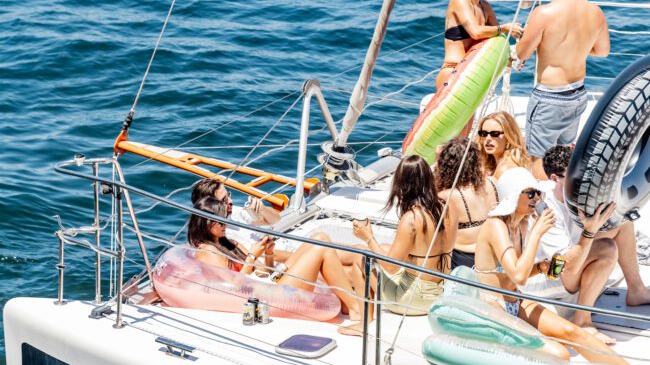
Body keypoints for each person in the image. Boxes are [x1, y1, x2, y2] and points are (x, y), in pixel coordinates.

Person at [474, 167, 630, 365]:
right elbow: (518, 275)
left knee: (574, 332)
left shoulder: (521, 225)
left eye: (538, 193)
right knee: (560, 353)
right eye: (530, 193)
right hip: (494, 305)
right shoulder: (495, 225)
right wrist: (537, 233)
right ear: (512, 195)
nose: (536, 198)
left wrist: (540, 268)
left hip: (516, 301)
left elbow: (517, 273)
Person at [523, 145, 650, 343]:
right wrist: (590, 231)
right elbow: (565, 265)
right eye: (572, 176)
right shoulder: (545, 207)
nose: (581, 181)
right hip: (549, 273)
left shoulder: (578, 193)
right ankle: (582, 321)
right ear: (555, 179)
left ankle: (636, 290)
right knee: (607, 249)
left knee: (624, 223)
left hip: (570, 256)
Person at [188, 197, 365, 332]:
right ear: (206, 222)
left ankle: (348, 302)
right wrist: (250, 257)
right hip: (268, 298)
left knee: (319, 238)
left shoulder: (229, 243)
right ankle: (355, 309)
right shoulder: (208, 252)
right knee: (321, 250)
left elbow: (263, 270)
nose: (225, 223)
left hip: (269, 284)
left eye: (225, 218)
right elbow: (232, 289)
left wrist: (269, 253)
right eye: (220, 220)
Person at [515, 0, 610, 178]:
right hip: (577, 94)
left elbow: (521, 52)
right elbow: (603, 51)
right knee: (564, 156)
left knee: (539, 158)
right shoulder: (596, 12)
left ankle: (543, 209)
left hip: (549, 97)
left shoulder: (544, 13)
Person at [351, 155, 457, 316]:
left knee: (361, 258)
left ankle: (364, 321)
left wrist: (368, 237)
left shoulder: (412, 218)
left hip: (412, 300)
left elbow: (390, 266)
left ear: (402, 184)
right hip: (439, 292)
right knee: (384, 250)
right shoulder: (449, 207)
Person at [438, 0, 522, 96]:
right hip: (452, 71)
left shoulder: (485, 7)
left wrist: (512, 56)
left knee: (470, 118)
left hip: (472, 73)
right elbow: (476, 32)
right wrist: (505, 28)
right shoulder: (459, 0)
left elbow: (500, 37)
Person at [435, 138, 498, 269]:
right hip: (494, 255)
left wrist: (437, 163)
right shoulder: (493, 182)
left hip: (464, 261)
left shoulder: (447, 196)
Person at [478, 111, 532, 179]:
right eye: (484, 133)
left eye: (495, 133)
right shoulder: (495, 165)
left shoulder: (505, 169)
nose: (488, 138)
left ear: (509, 137)